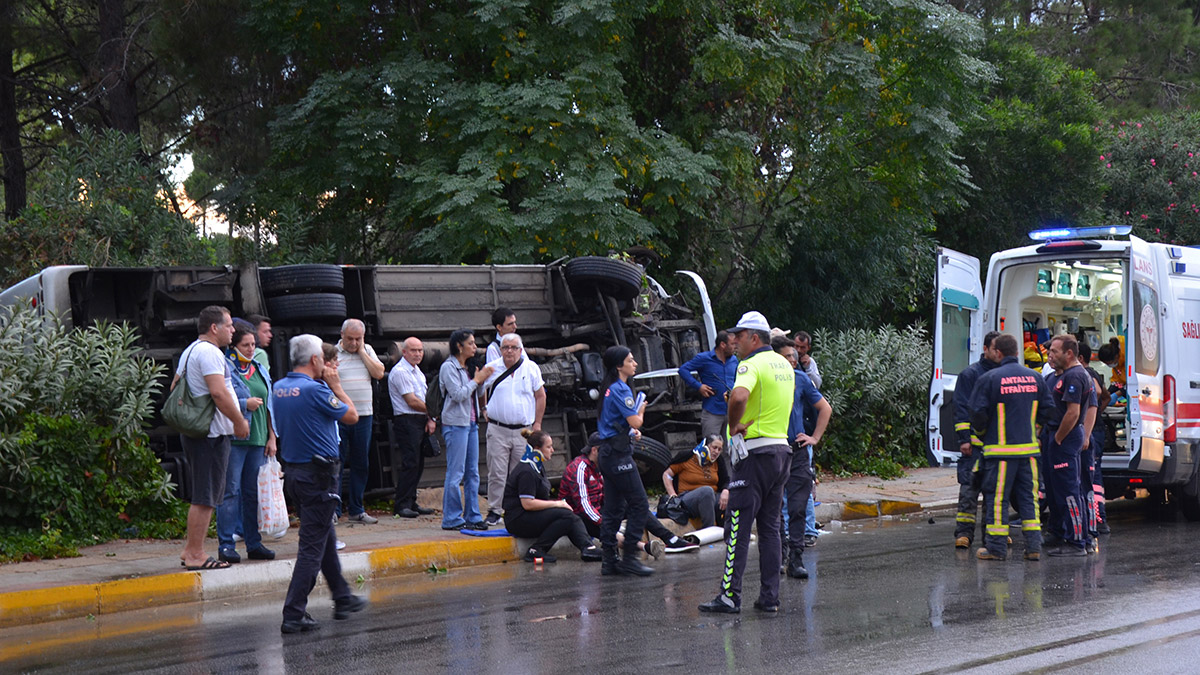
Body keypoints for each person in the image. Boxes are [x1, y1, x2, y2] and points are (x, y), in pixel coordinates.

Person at [699, 311, 793, 614]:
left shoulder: (749, 364)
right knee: (770, 528)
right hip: (781, 452)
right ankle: (770, 598)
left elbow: (739, 397)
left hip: (754, 455)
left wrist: (733, 423)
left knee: (737, 526)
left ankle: (729, 596)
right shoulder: (784, 364)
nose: (734, 341)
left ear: (754, 338)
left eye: (739, 336)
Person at [273, 335, 367, 633]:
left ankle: (342, 597)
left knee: (323, 537)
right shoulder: (316, 390)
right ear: (315, 360)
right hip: (319, 476)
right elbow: (352, 416)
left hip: (296, 473)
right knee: (312, 548)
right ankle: (293, 612)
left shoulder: (279, 387)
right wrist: (336, 385)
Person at [172, 306, 248, 571]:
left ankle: (190, 549)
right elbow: (218, 393)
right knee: (205, 497)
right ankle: (195, 554)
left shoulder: (190, 351)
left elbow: (175, 387)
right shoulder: (210, 353)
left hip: (198, 433)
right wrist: (238, 421)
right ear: (214, 328)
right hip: (211, 434)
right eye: (229, 325)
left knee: (205, 494)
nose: (233, 330)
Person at [969, 334, 1054, 561]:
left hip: (1000, 454)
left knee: (998, 500)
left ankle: (996, 548)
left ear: (998, 353)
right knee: (1029, 499)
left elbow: (977, 414)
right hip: (1029, 453)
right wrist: (1035, 430)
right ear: (1017, 352)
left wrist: (983, 435)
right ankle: (1034, 547)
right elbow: (1049, 409)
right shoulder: (1035, 378)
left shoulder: (989, 379)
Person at [561, 432, 698, 556]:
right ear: (595, 450)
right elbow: (584, 506)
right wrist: (605, 522)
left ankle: (670, 539)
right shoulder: (580, 468)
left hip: (598, 511)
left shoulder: (602, 464)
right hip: (580, 517)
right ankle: (637, 548)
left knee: (635, 505)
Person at [216, 323, 278, 564]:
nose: (251, 349)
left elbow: (269, 404)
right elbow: (219, 398)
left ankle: (254, 543)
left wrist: (272, 437)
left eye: (253, 344)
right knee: (231, 492)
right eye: (245, 345)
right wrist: (244, 404)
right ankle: (226, 545)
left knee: (253, 493)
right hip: (236, 439)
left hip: (259, 438)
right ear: (234, 346)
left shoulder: (259, 368)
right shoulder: (226, 367)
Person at [772, 337, 831, 579]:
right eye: (787, 356)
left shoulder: (801, 379)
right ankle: (779, 556)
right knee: (774, 508)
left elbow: (825, 408)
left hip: (796, 451)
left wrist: (814, 437)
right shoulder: (765, 378)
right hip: (772, 451)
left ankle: (796, 558)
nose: (793, 360)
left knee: (797, 507)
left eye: (794, 356)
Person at [594, 345, 654, 576]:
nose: (635, 364)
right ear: (619, 366)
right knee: (639, 504)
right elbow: (635, 421)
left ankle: (609, 560)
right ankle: (630, 557)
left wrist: (630, 431)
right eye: (630, 360)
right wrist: (641, 410)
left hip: (609, 452)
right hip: (618, 456)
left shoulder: (609, 388)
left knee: (614, 508)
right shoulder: (620, 389)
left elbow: (615, 423)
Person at [502, 430, 603, 563]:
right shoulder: (527, 471)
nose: (552, 450)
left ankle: (588, 548)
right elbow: (527, 504)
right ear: (537, 448)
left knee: (568, 517)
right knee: (566, 515)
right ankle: (536, 550)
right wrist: (557, 504)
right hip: (517, 520)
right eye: (549, 447)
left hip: (528, 515)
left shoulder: (537, 467)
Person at [482, 333, 546, 525]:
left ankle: (516, 509)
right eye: (505, 347)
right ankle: (495, 510)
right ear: (500, 349)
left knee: (522, 472)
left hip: (523, 430)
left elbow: (540, 396)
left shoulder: (531, 368)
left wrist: (537, 424)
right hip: (498, 428)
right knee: (497, 472)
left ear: (520, 349)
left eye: (513, 347)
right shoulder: (491, 368)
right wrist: (484, 408)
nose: (509, 351)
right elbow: (479, 388)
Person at [1041, 334, 1095, 557]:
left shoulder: (1076, 376)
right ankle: (1058, 531)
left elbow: (1073, 413)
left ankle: (1077, 541)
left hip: (1065, 437)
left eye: (1054, 351)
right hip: (1053, 435)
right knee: (1055, 489)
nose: (1050, 355)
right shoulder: (1056, 377)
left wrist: (1058, 438)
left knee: (1069, 491)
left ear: (1069, 353)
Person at [951, 330, 1002, 550]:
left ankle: (991, 535)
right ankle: (964, 534)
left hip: (998, 447)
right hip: (974, 446)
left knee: (994, 493)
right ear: (985, 349)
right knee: (969, 492)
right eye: (995, 349)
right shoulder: (970, 375)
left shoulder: (1005, 374)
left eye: (1001, 349)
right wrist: (964, 439)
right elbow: (961, 408)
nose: (999, 353)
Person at [439, 329, 494, 531]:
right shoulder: (449, 367)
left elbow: (476, 393)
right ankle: (451, 518)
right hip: (455, 424)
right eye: (470, 343)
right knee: (456, 473)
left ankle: (473, 515)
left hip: (471, 423)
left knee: (473, 472)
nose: (475, 347)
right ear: (459, 346)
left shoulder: (469, 366)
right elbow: (458, 395)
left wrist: (481, 380)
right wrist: (477, 380)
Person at [335, 319, 386, 524]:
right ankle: (334, 510)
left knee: (361, 462)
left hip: (364, 415)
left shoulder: (367, 350)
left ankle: (357, 509)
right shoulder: (333, 353)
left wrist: (363, 352)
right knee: (336, 462)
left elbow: (379, 373)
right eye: (350, 339)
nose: (354, 343)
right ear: (342, 335)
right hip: (339, 415)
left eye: (358, 339)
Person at [389, 337, 437, 518]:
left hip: (419, 419)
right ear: (404, 352)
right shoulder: (401, 372)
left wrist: (430, 418)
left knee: (418, 463)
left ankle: (411, 501)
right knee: (410, 463)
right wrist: (434, 411)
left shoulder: (418, 372)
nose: (418, 354)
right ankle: (402, 504)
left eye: (420, 350)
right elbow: (412, 401)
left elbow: (423, 398)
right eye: (413, 350)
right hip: (407, 420)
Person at [677, 331, 738, 442]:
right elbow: (683, 370)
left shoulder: (734, 360)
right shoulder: (704, 358)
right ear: (723, 345)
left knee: (730, 448)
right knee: (711, 446)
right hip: (712, 411)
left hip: (731, 412)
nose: (735, 347)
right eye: (733, 344)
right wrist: (699, 386)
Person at [1079, 341, 1112, 534]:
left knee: (1093, 473)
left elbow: (1098, 392)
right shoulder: (1093, 373)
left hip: (1092, 429)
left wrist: (1091, 411)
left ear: (1079, 358)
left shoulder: (1086, 374)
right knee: (1093, 472)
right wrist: (1096, 410)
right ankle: (1096, 518)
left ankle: (1099, 518)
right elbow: (1105, 396)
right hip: (1096, 427)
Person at [662, 435, 728, 529]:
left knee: (733, 495)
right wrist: (672, 495)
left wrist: (726, 490)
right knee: (707, 491)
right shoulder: (687, 457)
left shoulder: (718, 461)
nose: (716, 452)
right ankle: (709, 530)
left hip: (711, 498)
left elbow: (725, 480)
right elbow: (667, 474)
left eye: (719, 449)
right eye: (714, 447)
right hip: (687, 499)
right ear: (705, 446)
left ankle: (729, 530)